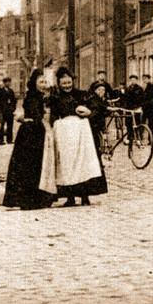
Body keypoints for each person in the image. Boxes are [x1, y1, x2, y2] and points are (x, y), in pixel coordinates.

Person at [50, 66, 107, 207]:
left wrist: (89, 112)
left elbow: (99, 107)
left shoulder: (83, 95)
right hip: (65, 137)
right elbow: (53, 115)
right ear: (59, 83)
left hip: (82, 136)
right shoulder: (55, 98)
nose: (67, 86)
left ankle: (85, 196)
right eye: (64, 84)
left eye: (69, 83)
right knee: (67, 165)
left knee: (83, 164)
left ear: (72, 82)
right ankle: (70, 197)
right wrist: (55, 124)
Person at [3, 68, 56, 210]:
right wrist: (42, 120)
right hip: (31, 134)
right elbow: (35, 115)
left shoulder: (41, 96)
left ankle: (37, 198)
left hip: (36, 132)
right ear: (34, 83)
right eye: (40, 82)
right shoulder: (32, 96)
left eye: (45, 81)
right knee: (30, 166)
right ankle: (29, 199)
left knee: (37, 165)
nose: (43, 84)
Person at [121, 74, 144, 142]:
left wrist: (139, 106)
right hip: (129, 109)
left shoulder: (139, 89)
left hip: (136, 108)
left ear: (136, 80)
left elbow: (141, 99)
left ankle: (138, 138)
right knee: (129, 124)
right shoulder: (128, 88)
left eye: (134, 80)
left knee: (137, 123)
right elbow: (125, 98)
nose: (133, 81)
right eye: (131, 80)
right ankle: (130, 137)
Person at [0, 77, 17, 144]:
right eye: (7, 82)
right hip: (2, 111)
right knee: (1, 126)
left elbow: (14, 100)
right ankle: (1, 140)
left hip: (10, 111)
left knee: (10, 126)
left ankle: (9, 140)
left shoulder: (11, 91)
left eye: (9, 82)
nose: (9, 83)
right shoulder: (0, 91)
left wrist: (13, 108)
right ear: (4, 83)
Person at [141, 74, 153, 140]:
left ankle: (152, 139)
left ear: (149, 79)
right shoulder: (143, 87)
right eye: (143, 79)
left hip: (151, 109)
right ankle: (140, 138)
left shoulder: (152, 87)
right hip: (145, 109)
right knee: (142, 123)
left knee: (151, 125)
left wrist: (145, 104)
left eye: (146, 79)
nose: (144, 80)